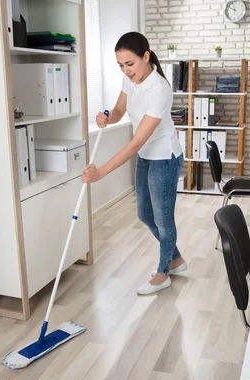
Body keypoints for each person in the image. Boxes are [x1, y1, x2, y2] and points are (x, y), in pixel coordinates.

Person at [82, 31, 186, 295]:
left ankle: (164, 273)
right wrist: (106, 116)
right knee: (145, 214)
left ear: (146, 56)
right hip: (146, 156)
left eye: (130, 64)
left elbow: (136, 142)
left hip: (164, 157)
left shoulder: (159, 90)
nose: (126, 70)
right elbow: (118, 111)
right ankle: (176, 259)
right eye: (121, 65)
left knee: (163, 220)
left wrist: (101, 172)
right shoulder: (131, 80)